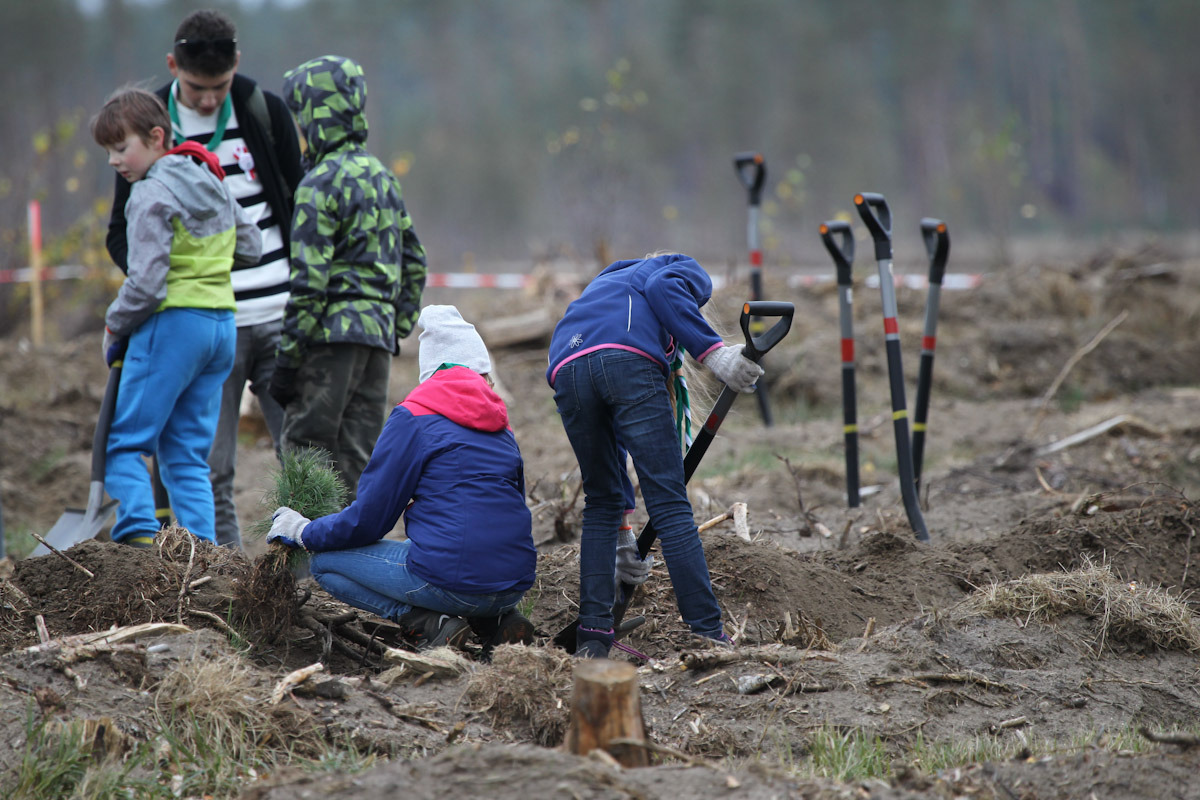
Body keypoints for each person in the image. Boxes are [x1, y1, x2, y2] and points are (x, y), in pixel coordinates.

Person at [105, 8, 304, 549]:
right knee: (207, 462)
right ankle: (222, 571)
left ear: (236, 65)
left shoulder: (264, 110)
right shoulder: (144, 131)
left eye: (219, 86)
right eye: (197, 87)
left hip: (279, 315)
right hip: (211, 322)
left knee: (301, 457)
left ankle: (311, 577)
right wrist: (169, 278)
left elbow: (298, 203)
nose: (210, 99)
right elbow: (123, 234)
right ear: (173, 67)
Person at [266, 305, 536, 654]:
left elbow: (369, 521)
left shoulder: (413, 417)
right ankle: (497, 621)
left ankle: (428, 623)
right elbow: (509, 507)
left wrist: (304, 531)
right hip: (514, 585)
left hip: (453, 583)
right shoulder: (501, 425)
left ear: (431, 372)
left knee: (325, 563)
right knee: (441, 552)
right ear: (482, 372)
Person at [545, 252, 764, 657]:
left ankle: (593, 637)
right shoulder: (675, 265)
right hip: (626, 359)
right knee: (669, 503)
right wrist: (716, 354)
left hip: (567, 366)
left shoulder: (601, 290)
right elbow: (665, 288)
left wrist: (624, 535)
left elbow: (613, 448)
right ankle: (707, 633)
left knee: (601, 503)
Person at [93, 87, 262, 547]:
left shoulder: (149, 192)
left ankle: (139, 544)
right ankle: (203, 555)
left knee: (125, 444)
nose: (113, 161)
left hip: (172, 328)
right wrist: (207, 267)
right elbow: (252, 245)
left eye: (121, 147)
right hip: (221, 328)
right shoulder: (209, 178)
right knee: (186, 455)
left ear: (156, 137)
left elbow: (146, 282)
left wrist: (114, 323)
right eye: (108, 151)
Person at [268, 55, 427, 499]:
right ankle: (348, 566)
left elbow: (309, 285)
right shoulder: (383, 178)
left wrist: (286, 361)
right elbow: (415, 261)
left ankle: (300, 569)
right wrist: (392, 327)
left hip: (328, 343)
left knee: (305, 454)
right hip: (375, 344)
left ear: (314, 118)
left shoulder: (318, 183)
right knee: (356, 463)